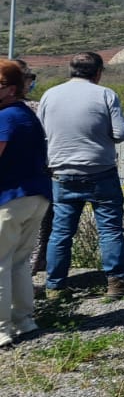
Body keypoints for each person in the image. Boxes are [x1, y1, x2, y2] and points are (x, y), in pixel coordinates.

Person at [40, 52, 124, 299]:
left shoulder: (50, 95)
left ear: (71, 70)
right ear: (98, 72)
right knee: (110, 229)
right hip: (100, 172)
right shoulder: (105, 94)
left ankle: (55, 287)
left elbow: (42, 132)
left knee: (61, 232)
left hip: (61, 174)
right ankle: (117, 282)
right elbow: (120, 133)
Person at [0, 60, 50, 348]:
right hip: (36, 196)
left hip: (10, 198)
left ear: (10, 89)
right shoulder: (25, 115)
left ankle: (2, 329)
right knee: (18, 263)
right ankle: (24, 321)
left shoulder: (5, 118)